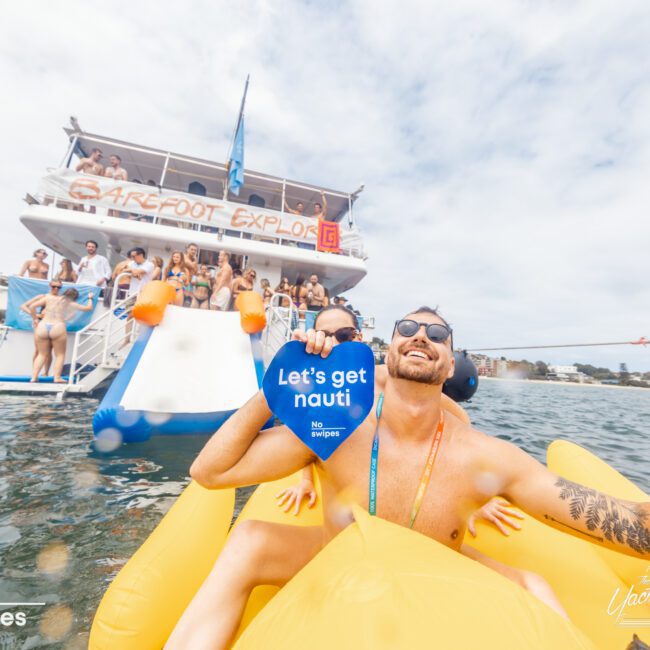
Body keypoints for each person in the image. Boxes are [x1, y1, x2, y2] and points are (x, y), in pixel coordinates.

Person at [166, 306, 650, 649]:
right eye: (408, 328)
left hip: (439, 566)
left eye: (437, 336)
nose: (421, 336)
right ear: (389, 348)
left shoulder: (484, 455)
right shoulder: (333, 427)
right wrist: (281, 388)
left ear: (451, 364)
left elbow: (628, 525)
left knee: (535, 586)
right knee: (249, 538)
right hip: (340, 552)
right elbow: (211, 471)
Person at [26, 288, 94, 383]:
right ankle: (57, 377)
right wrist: (90, 298)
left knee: (42, 354)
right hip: (58, 326)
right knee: (60, 355)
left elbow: (32, 306)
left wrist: (35, 319)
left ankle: (34, 377)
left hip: (43, 325)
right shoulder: (71, 304)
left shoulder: (49, 298)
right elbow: (88, 308)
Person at [20, 280, 63, 378]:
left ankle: (46, 372)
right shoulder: (43, 296)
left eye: (58, 287)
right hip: (41, 323)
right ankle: (35, 373)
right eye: (54, 286)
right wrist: (35, 316)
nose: (56, 288)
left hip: (54, 325)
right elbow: (23, 306)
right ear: (50, 286)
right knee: (38, 350)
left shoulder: (61, 299)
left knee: (49, 350)